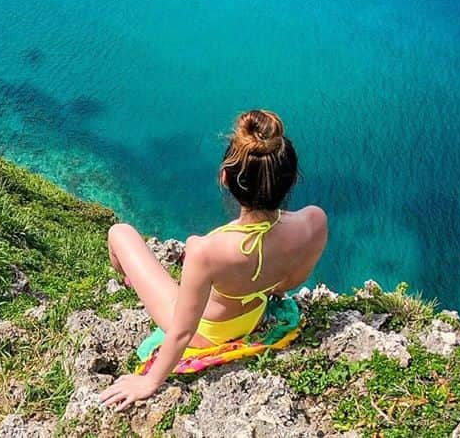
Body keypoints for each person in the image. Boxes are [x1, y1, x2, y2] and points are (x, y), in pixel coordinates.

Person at [100, 109, 328, 410]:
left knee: (120, 232)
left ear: (225, 178)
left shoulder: (206, 250)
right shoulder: (314, 221)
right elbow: (290, 282)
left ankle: (128, 282)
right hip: (254, 315)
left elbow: (182, 332)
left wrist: (150, 382)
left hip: (205, 333)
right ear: (289, 179)